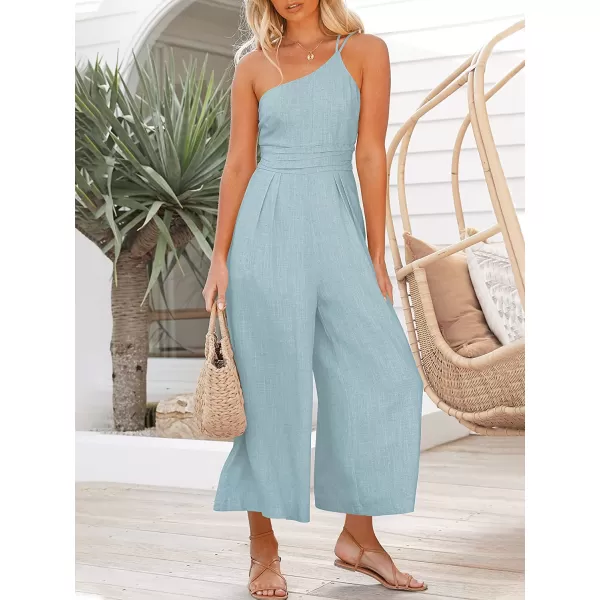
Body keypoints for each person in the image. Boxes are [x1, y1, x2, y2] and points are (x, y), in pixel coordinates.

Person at [202, 1, 427, 596]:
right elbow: (239, 163)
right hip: (264, 231)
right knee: (269, 391)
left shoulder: (365, 52)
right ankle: (263, 548)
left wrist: (374, 253)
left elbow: (370, 152)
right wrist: (220, 256)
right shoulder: (254, 66)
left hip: (338, 225)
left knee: (385, 375)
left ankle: (359, 538)